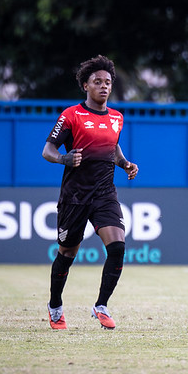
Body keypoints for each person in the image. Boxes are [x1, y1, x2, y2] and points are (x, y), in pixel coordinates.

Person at [41, 55, 138, 330]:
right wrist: (64, 159)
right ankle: (55, 306)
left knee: (118, 248)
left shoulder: (117, 118)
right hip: (75, 196)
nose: (104, 86)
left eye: (108, 82)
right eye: (97, 81)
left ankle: (101, 306)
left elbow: (113, 148)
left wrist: (125, 164)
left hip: (105, 193)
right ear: (86, 85)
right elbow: (47, 150)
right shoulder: (71, 115)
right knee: (67, 254)